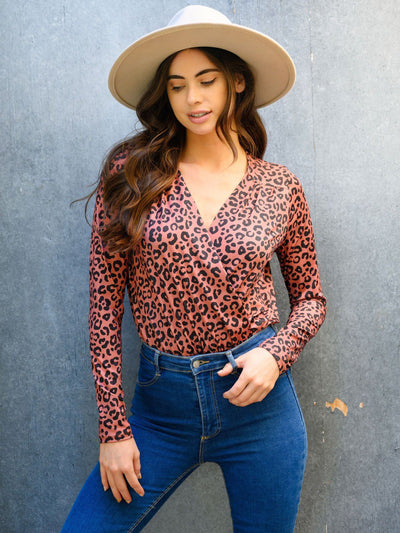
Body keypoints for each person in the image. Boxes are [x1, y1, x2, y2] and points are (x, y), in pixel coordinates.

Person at [61, 5, 327, 533]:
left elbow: (312, 299)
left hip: (261, 410)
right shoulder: (131, 172)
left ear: (236, 82)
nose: (192, 99)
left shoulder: (280, 186)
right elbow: (103, 307)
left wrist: (277, 354)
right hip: (160, 411)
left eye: (206, 81)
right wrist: (113, 429)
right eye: (177, 85)